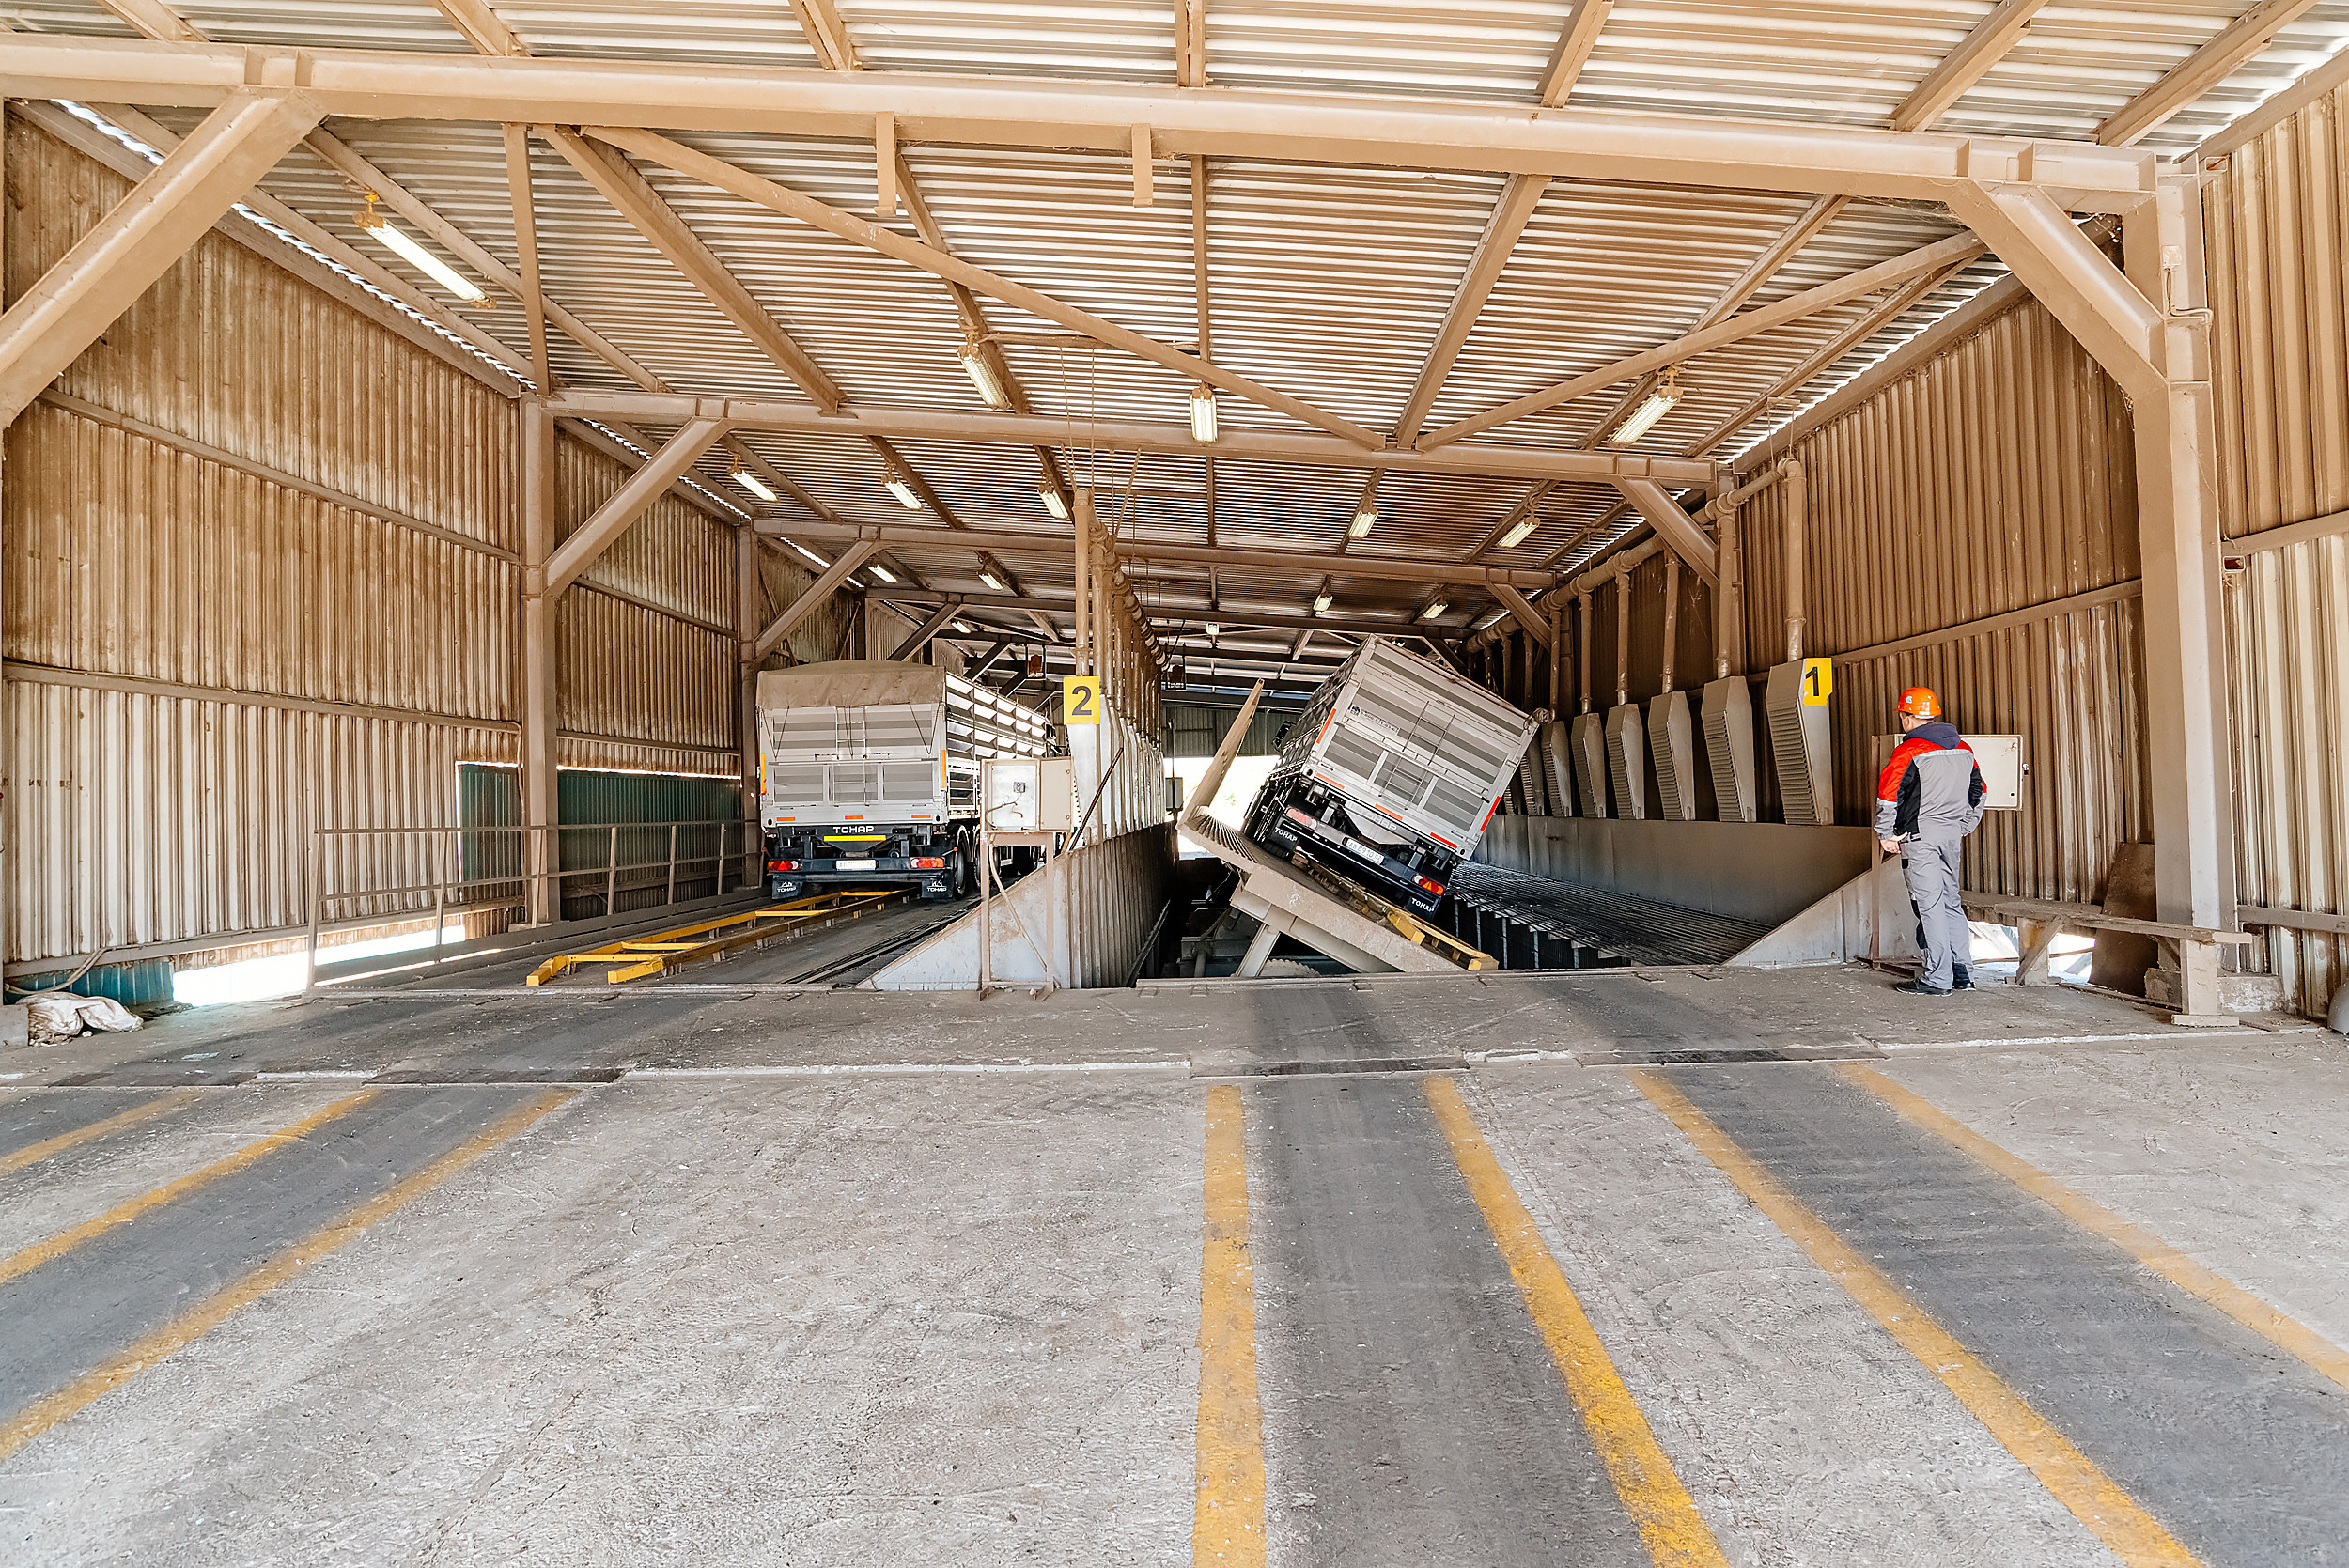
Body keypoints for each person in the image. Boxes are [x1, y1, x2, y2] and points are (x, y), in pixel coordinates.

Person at [1875, 685, 1985, 997]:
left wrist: (1886, 834)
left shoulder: (1909, 751)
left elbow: (1888, 796)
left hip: (1920, 838)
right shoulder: (1963, 749)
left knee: (1929, 906)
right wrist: (1963, 825)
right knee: (1950, 901)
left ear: (1907, 717)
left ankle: (1938, 978)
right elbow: (1979, 792)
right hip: (1950, 836)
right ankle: (1962, 973)